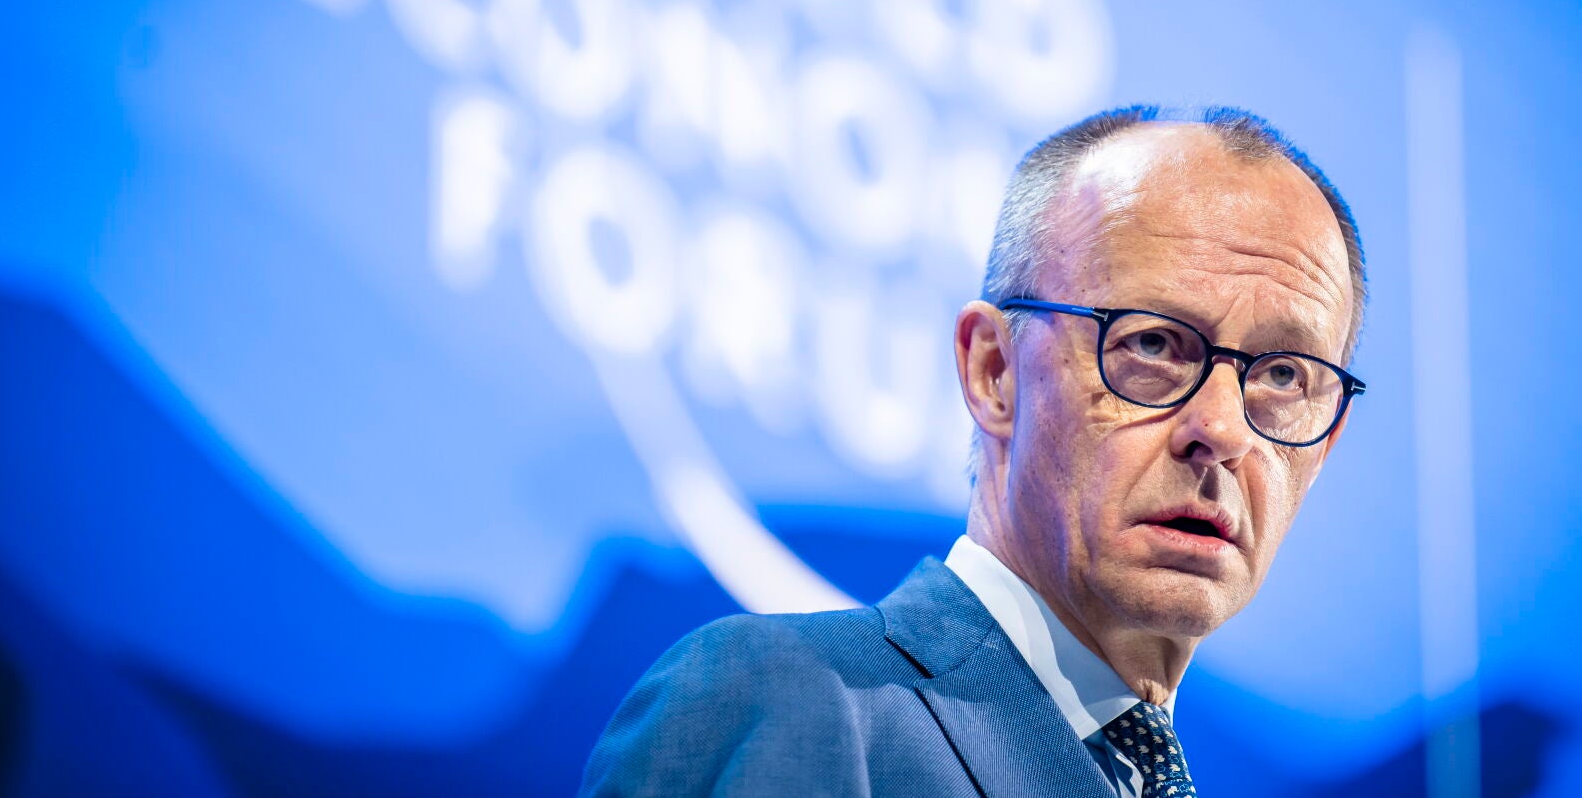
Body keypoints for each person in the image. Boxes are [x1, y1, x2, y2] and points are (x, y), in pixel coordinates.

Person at [579, 104, 1368, 797]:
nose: (1223, 429)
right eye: (1154, 343)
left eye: (1285, 375)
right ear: (994, 371)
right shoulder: (790, 701)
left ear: (1324, 449)